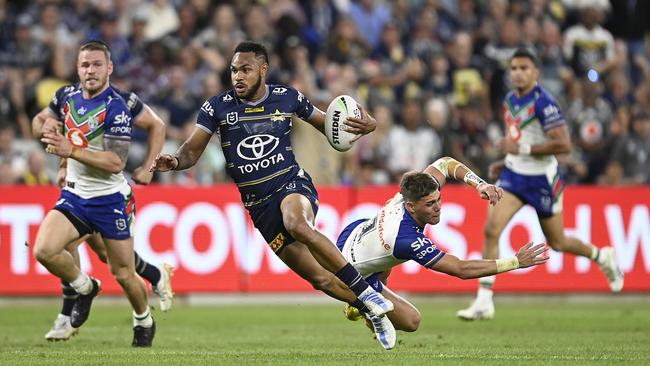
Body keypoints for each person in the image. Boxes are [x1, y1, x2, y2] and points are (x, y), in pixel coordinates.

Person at [151, 41, 396, 349]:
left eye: (245, 69)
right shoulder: (217, 107)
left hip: (291, 184)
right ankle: (372, 310)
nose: (237, 76)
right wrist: (173, 162)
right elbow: (191, 152)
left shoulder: (287, 97)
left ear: (263, 70)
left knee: (297, 223)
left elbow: (334, 129)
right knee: (321, 280)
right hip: (260, 207)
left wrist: (366, 125)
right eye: (233, 70)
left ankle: (365, 291)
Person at [456, 48, 624, 321]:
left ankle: (601, 255)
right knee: (491, 229)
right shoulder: (510, 99)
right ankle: (484, 300)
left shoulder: (545, 103)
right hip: (513, 175)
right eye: (514, 68)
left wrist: (519, 149)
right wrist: (508, 158)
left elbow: (564, 144)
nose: (518, 73)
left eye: (524, 68)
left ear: (535, 73)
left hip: (542, 180)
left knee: (557, 242)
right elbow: (518, 138)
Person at [338, 156, 548, 339]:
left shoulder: (413, 191)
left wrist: (480, 185)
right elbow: (461, 269)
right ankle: (360, 305)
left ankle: (371, 302)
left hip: (354, 234)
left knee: (386, 260)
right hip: (351, 272)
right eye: (430, 204)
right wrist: (515, 262)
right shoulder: (406, 238)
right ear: (411, 206)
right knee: (412, 321)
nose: (438, 208)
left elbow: (445, 163)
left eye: (438, 199)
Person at [34, 40, 156, 347]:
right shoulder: (65, 96)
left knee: (124, 273)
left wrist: (70, 151)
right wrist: (45, 129)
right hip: (75, 196)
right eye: (85, 64)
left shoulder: (116, 107)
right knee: (44, 250)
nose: (91, 70)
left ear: (109, 68)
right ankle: (85, 286)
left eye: (97, 64)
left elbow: (116, 162)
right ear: (78, 68)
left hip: (111, 200)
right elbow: (39, 121)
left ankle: (143, 318)